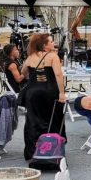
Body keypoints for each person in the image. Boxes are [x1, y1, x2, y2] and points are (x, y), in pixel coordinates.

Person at [21, 33, 67, 162]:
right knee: (53, 119)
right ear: (44, 45)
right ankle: (51, 150)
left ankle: (33, 151)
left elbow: (23, 73)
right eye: (51, 42)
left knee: (33, 121)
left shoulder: (30, 57)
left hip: (32, 93)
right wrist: (62, 93)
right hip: (49, 92)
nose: (54, 44)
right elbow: (58, 75)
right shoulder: (53, 56)